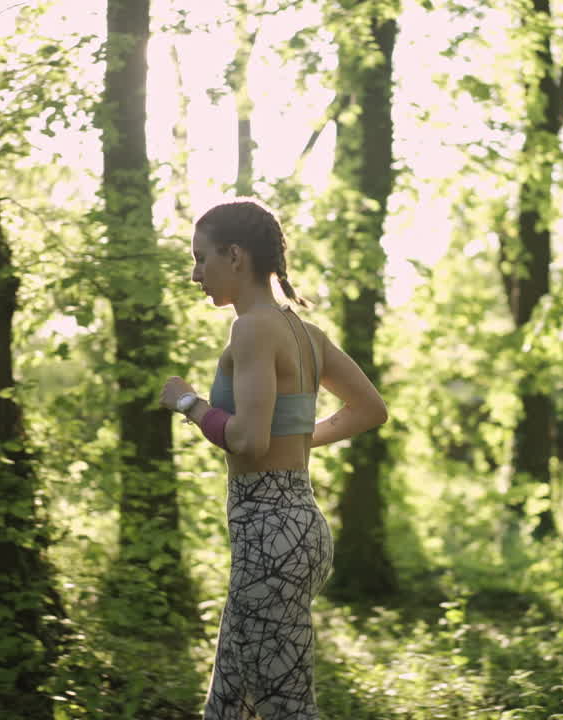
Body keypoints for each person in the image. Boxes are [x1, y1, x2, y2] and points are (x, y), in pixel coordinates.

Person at [159, 199, 387, 720]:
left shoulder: (253, 328)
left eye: (201, 258)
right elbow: (369, 409)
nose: (194, 274)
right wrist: (300, 439)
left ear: (234, 256)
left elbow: (248, 441)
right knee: (228, 703)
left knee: (286, 708)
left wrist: (189, 404)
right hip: (295, 527)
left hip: (270, 537)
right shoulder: (305, 334)